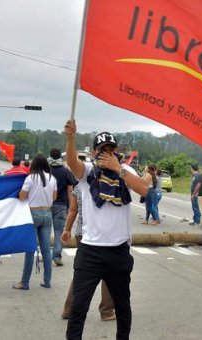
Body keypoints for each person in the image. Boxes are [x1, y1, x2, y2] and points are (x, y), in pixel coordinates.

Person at [63, 120, 148, 340]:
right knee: (79, 308)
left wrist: (118, 169)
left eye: (111, 151)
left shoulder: (125, 171)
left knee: (123, 307)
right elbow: (72, 163)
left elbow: (143, 190)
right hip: (90, 251)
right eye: (102, 151)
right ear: (94, 152)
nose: (107, 155)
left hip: (118, 251)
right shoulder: (88, 171)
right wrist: (71, 138)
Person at [60, 184, 116, 321]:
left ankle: (69, 309)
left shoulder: (80, 186)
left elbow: (73, 210)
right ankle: (107, 311)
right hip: (103, 235)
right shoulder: (110, 183)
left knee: (82, 272)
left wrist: (67, 229)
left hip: (82, 234)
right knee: (110, 273)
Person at [12, 155, 57, 290]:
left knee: (30, 248)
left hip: (32, 214)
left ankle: (24, 282)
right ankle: (47, 281)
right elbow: (54, 197)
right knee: (46, 250)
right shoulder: (52, 178)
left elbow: (22, 196)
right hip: (47, 214)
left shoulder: (30, 178)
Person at [49, 148, 78, 267]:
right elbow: (70, 189)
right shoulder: (65, 172)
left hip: (46, 205)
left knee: (44, 231)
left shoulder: (46, 171)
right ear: (60, 157)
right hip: (61, 205)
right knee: (59, 231)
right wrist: (71, 206)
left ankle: (44, 254)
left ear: (50, 156)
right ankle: (56, 255)